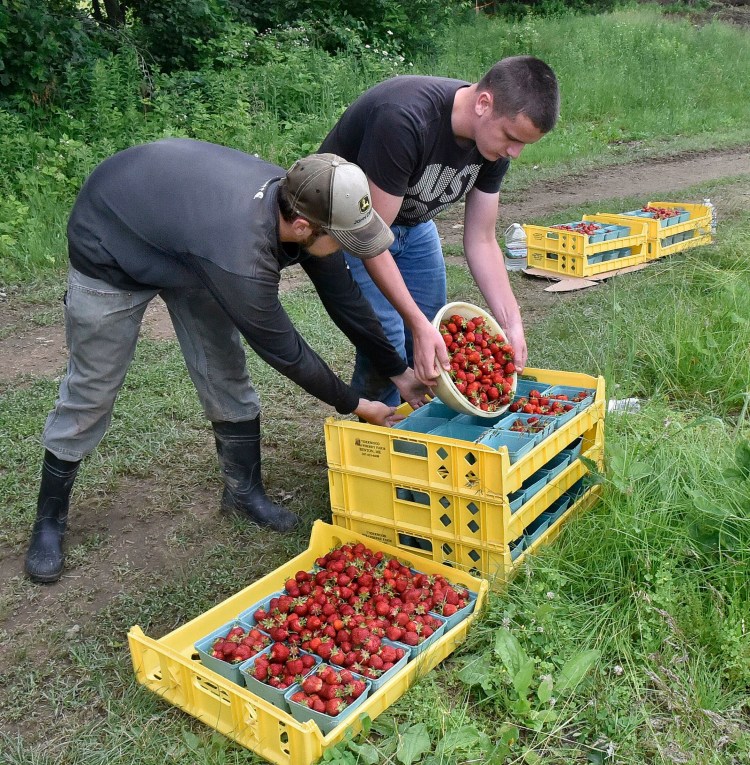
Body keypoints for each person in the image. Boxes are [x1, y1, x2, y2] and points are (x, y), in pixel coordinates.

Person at [24, 139, 430, 584]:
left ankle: (243, 493)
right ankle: (49, 520)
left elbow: (345, 301)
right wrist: (356, 404)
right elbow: (284, 350)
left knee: (225, 369)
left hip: (189, 241)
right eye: (344, 241)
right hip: (111, 240)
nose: (349, 250)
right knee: (93, 387)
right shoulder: (242, 255)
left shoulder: (311, 201)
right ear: (300, 226)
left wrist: (398, 370)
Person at [319, 55, 560, 406]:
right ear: (483, 103)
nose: (516, 153)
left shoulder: (493, 145)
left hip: (413, 226)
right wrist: (416, 322)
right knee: (385, 341)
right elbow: (371, 239)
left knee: (433, 336)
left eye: (524, 144)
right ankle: (376, 421)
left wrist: (512, 320)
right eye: (511, 138)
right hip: (353, 228)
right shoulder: (404, 119)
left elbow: (481, 238)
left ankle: (417, 423)